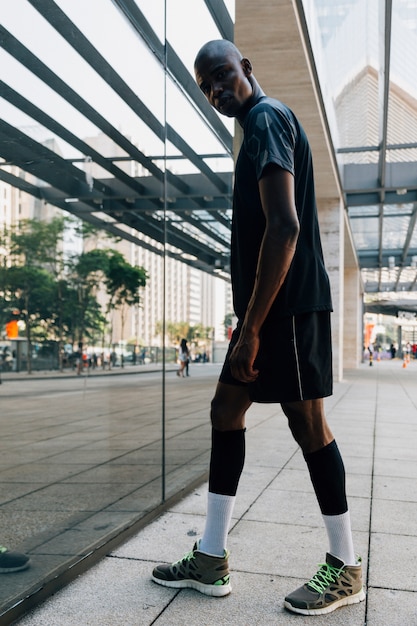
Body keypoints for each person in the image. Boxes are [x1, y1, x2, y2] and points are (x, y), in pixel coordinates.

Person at [152, 39, 365, 616]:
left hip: (288, 310)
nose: (218, 90)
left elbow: (286, 228)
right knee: (227, 410)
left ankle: (346, 567)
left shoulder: (267, 119)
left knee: (309, 424)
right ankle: (212, 556)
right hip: (273, 312)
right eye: (207, 86)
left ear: (246, 68)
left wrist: (250, 330)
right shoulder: (259, 125)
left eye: (223, 75)